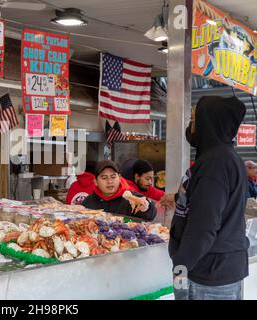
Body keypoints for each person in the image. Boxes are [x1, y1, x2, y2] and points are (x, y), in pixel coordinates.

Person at [164, 96, 249, 300]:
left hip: (207, 273)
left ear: (208, 123)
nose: (191, 126)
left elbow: (204, 226)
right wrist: (178, 198)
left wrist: (181, 265)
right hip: (216, 268)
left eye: (194, 120)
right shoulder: (223, 157)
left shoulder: (215, 163)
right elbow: (210, 203)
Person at [82, 160, 157, 221]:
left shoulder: (130, 198)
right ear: (96, 181)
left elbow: (151, 215)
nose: (110, 181)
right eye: (104, 178)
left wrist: (146, 208)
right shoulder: (88, 202)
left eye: (113, 177)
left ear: (120, 178)